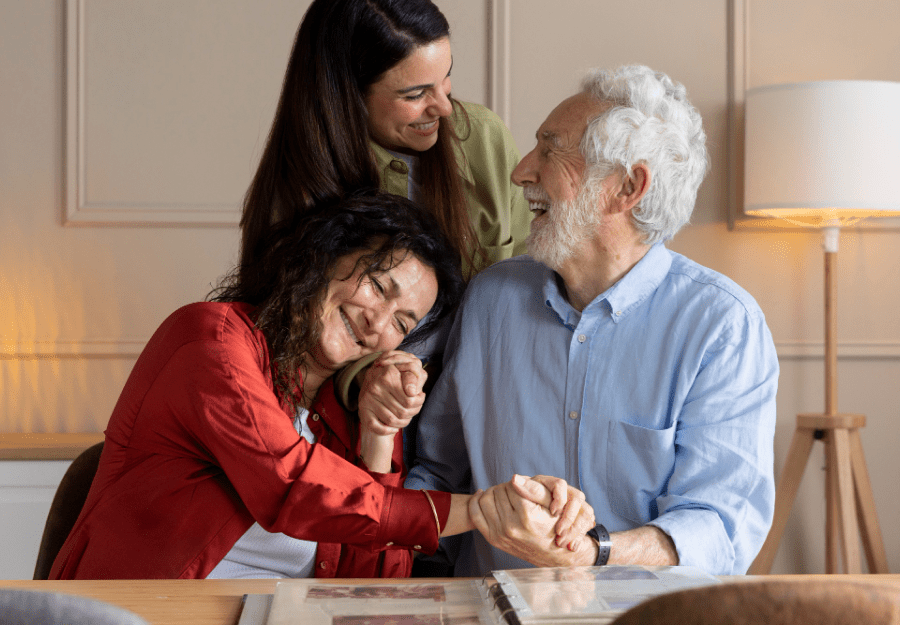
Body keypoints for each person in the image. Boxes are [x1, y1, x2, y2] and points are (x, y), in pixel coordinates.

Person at [49, 192, 579, 580]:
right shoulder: (211, 341)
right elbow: (291, 486)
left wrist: (376, 434)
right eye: (376, 286)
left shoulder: (345, 413)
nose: (378, 324)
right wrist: (478, 509)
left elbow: (377, 583)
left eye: (402, 323)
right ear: (324, 256)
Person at [406, 65, 779, 577]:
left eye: (551, 149)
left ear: (626, 187)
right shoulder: (491, 299)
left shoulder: (721, 325)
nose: (520, 171)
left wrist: (595, 549)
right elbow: (436, 471)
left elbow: (719, 526)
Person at [239, 0, 530, 278]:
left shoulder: (485, 138)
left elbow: (531, 281)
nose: (445, 107)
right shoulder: (293, 190)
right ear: (347, 97)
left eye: (446, 77)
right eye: (415, 94)